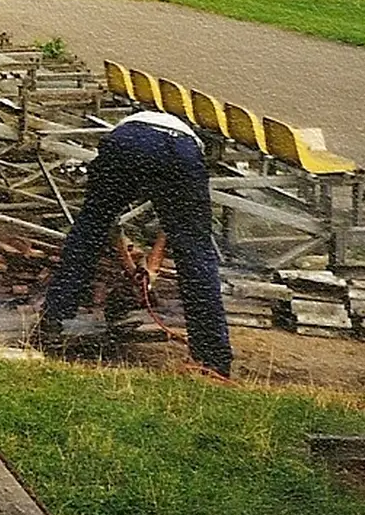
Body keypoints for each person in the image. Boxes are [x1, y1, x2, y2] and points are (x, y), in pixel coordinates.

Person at [37, 110, 233, 378]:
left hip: (125, 144)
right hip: (178, 154)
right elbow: (177, 228)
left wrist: (145, 267)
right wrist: (139, 267)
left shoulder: (133, 126)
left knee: (88, 231)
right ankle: (213, 359)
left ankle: (53, 319)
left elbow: (109, 224)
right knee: (196, 254)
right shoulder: (190, 145)